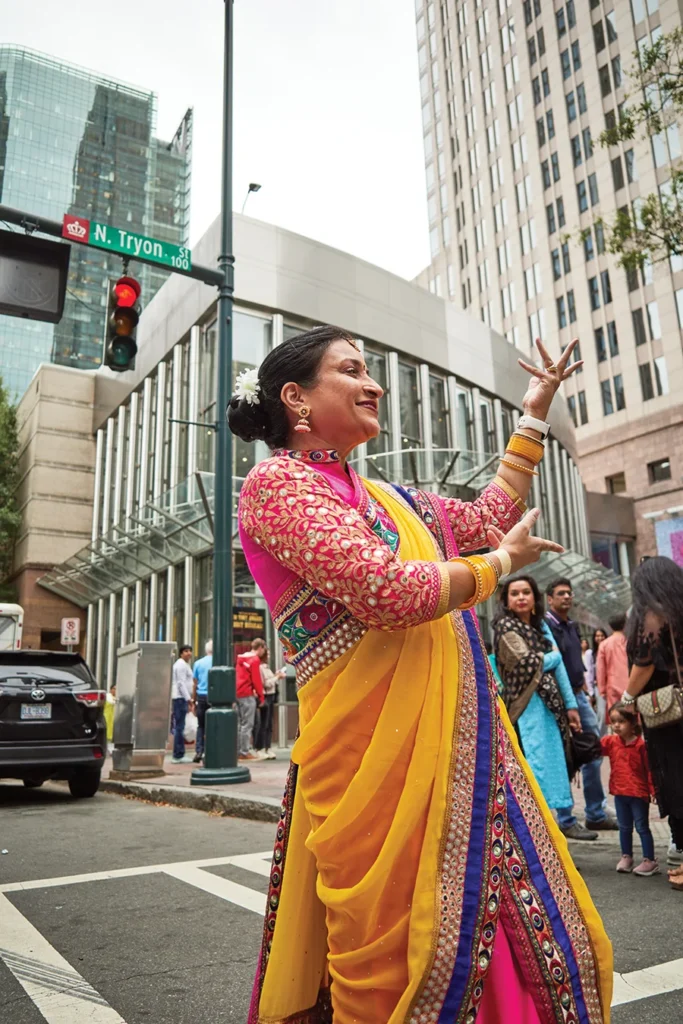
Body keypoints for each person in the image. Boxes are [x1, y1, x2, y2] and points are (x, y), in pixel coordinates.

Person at [229, 325, 611, 1023]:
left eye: (370, 369)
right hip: (369, 768)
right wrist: (497, 568)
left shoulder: (391, 501)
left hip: (457, 753)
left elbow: (490, 517)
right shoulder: (276, 486)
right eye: (351, 370)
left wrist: (533, 410)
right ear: (296, 398)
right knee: (392, 963)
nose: (372, 383)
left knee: (507, 935)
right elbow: (387, 591)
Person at [494, 576, 595, 840]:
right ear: (506, 600)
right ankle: (538, 836)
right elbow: (525, 661)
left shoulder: (540, 627)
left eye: (526, 592)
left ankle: (557, 828)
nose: (520, 597)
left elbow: (558, 667)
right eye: (514, 593)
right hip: (526, 706)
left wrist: (571, 705)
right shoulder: (505, 626)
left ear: (534, 598)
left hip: (552, 707)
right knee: (535, 765)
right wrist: (552, 655)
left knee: (555, 763)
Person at [621, 556, 683, 891]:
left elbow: (644, 662)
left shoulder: (654, 614)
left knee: (675, 780)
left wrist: (626, 699)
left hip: (668, 713)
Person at [546, 578, 617, 834]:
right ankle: (566, 820)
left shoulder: (572, 627)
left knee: (593, 752)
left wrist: (585, 694)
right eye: (561, 593)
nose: (567, 597)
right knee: (567, 756)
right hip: (560, 701)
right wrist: (565, 702)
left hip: (580, 697)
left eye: (569, 593)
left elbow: (577, 665)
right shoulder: (547, 628)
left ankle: (595, 813)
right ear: (549, 599)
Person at [601, 703, 658, 876]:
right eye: (613, 721)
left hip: (638, 794)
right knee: (624, 827)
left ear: (633, 723)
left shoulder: (641, 745)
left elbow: (649, 769)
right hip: (620, 793)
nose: (616, 725)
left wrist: (653, 790)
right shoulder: (611, 742)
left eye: (621, 721)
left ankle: (650, 860)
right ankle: (627, 856)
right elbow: (594, 748)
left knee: (642, 827)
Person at [236, 638, 266, 761]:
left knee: (239, 724)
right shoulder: (254, 660)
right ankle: (244, 752)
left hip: (237, 694)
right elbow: (256, 680)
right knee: (248, 724)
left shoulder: (240, 659)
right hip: (247, 694)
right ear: (260, 648)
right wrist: (261, 696)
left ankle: (238, 750)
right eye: (264, 649)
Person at [596, 614, 629, 725]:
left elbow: (600, 669)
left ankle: (619, 741)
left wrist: (602, 690)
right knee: (631, 715)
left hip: (612, 685)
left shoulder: (604, 645)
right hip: (630, 684)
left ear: (610, 627)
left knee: (616, 717)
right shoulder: (628, 641)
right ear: (624, 625)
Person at [254, 645, 285, 760]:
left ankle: (267, 746)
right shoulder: (260, 668)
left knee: (269, 723)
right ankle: (260, 747)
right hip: (265, 696)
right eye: (268, 654)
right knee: (263, 723)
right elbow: (265, 683)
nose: (269, 656)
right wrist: (277, 677)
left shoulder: (266, 667)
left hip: (271, 696)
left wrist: (276, 676)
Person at [170, 645, 194, 763]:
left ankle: (179, 753)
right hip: (180, 698)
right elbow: (181, 683)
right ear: (181, 653)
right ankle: (178, 754)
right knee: (180, 727)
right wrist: (188, 698)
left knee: (180, 726)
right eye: (186, 651)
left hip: (181, 698)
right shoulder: (180, 665)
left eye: (190, 651)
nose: (189, 653)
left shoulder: (184, 665)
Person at [191, 640, 212, 764]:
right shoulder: (219, 662)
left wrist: (193, 700)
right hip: (215, 697)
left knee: (201, 725)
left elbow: (195, 683)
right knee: (213, 725)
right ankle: (210, 751)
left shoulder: (198, 663)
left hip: (201, 696)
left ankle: (199, 750)